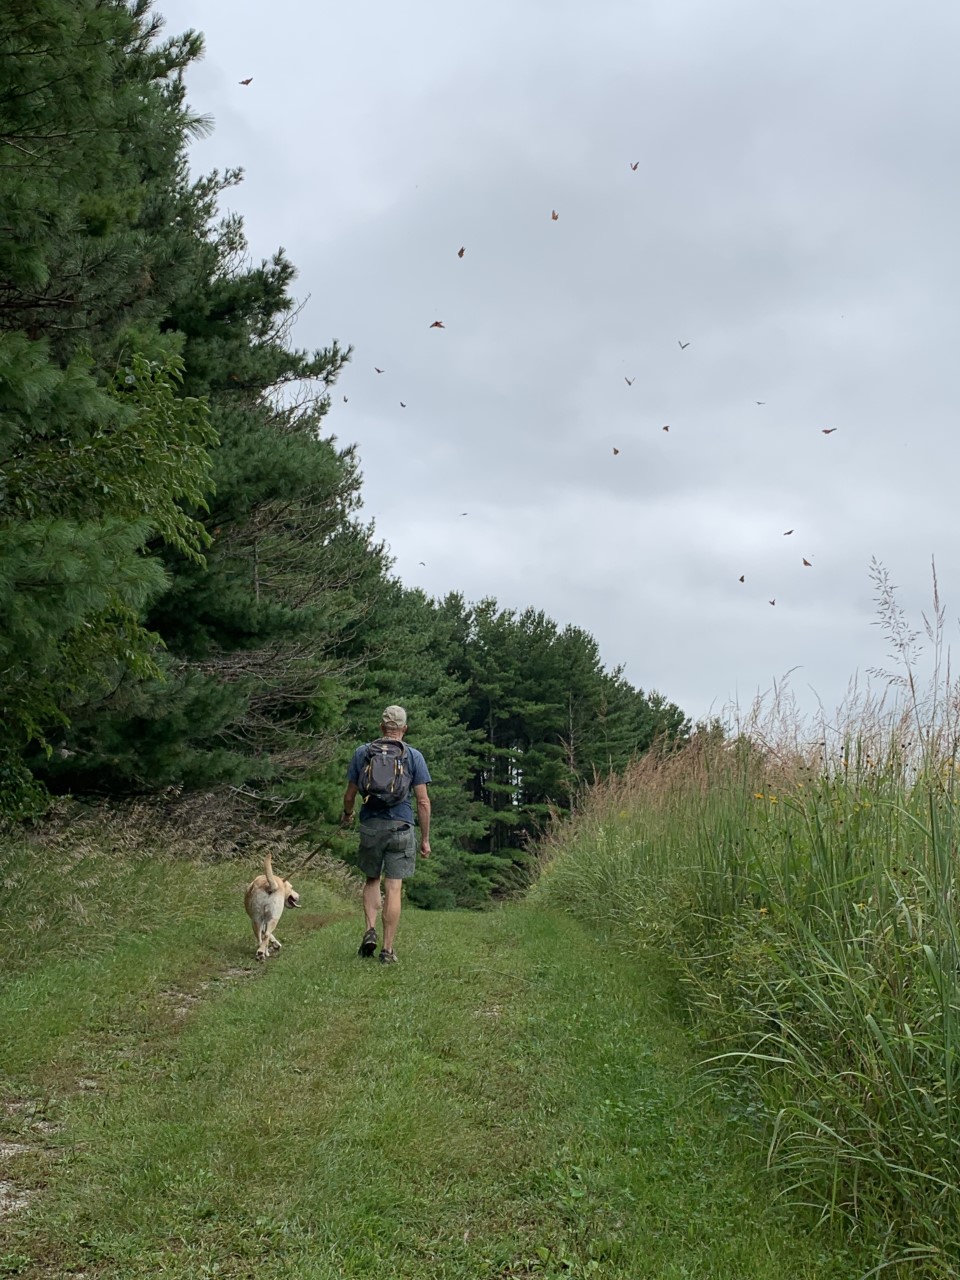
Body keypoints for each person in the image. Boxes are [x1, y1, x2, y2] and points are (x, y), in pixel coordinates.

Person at [341, 705, 431, 964]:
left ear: (381, 728)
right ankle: (387, 949)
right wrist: (424, 839)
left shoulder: (362, 753)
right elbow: (423, 802)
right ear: (404, 729)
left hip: (371, 825)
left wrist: (347, 814)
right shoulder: (413, 756)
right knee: (394, 887)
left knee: (372, 880)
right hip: (402, 826)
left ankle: (370, 930)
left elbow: (349, 795)